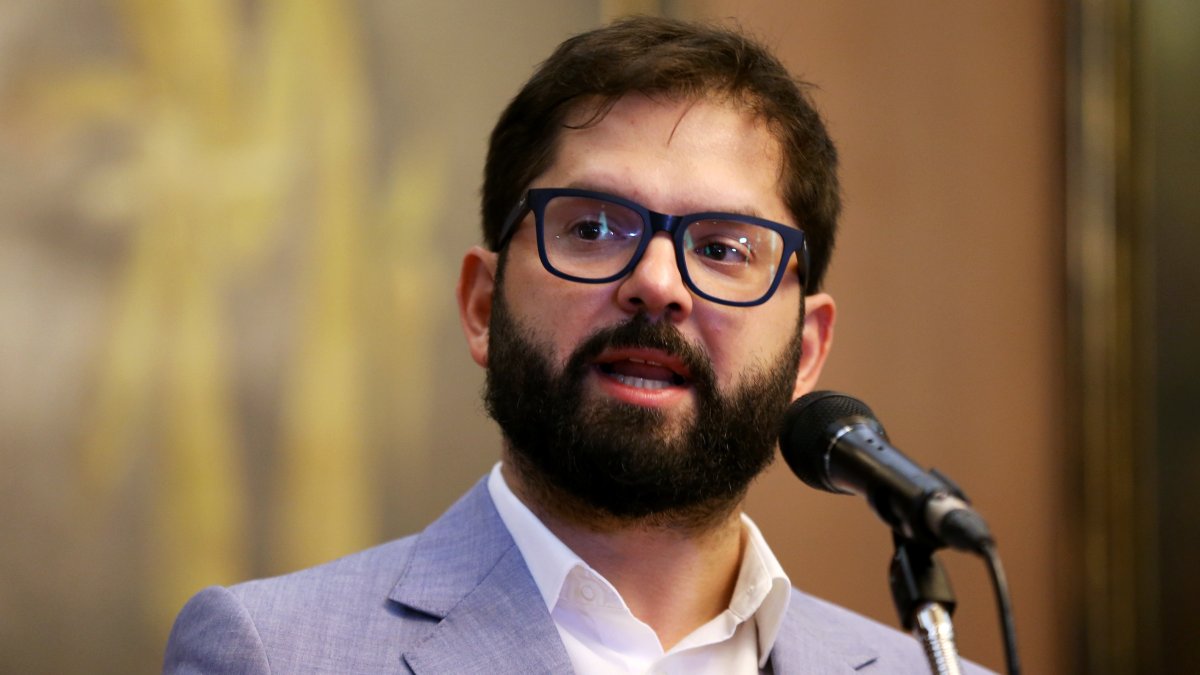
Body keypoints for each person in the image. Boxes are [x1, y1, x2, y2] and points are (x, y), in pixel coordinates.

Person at [164, 16, 992, 674]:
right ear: (483, 305)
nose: (658, 282)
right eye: (593, 227)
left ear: (807, 350)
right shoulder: (271, 654)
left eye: (723, 247)